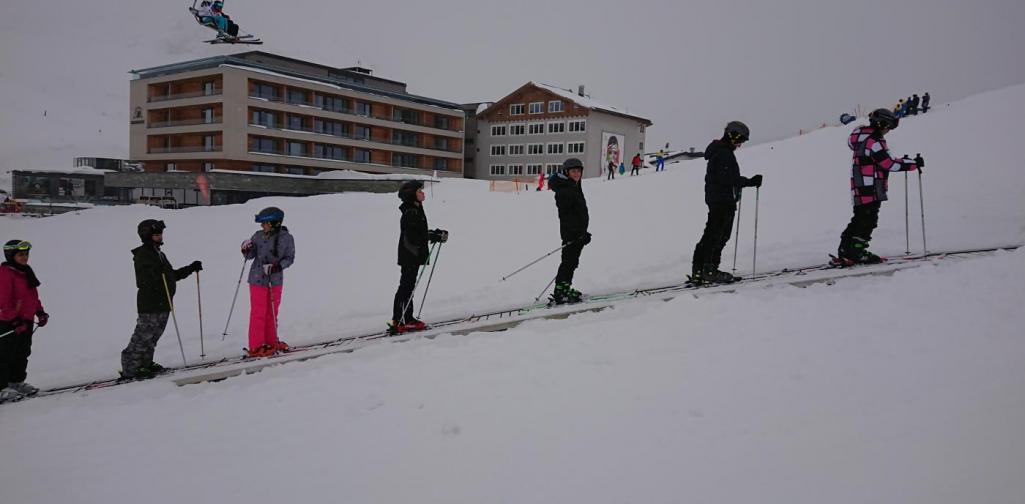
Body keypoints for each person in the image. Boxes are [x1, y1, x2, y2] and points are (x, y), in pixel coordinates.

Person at [834, 109, 922, 265]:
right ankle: (857, 252)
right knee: (868, 220)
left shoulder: (861, 136)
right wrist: (912, 164)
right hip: (871, 187)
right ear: (882, 124)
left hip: (859, 185)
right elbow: (888, 164)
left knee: (859, 218)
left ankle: (846, 249)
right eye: (889, 127)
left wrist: (904, 161)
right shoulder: (874, 141)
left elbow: (881, 160)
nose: (889, 131)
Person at [121, 221, 202, 379]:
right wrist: (155, 273)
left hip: (163, 303)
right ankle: (130, 367)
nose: (160, 237)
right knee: (142, 336)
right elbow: (143, 281)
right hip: (150, 304)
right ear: (147, 236)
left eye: (160, 234)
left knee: (153, 337)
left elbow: (171, 276)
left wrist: (191, 268)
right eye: (157, 235)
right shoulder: (143, 255)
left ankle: (145, 364)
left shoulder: (159, 253)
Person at [690, 121, 762, 284]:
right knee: (718, 235)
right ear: (733, 135)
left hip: (718, 198)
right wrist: (749, 182)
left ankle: (699, 270)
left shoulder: (720, 151)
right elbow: (727, 178)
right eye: (740, 140)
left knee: (712, 234)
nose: (740, 144)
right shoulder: (723, 153)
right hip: (722, 200)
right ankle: (709, 270)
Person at [390, 181, 447, 333]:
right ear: (411, 194)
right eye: (420, 191)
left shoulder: (415, 209)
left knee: (408, 286)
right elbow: (413, 236)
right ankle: (403, 319)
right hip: (410, 255)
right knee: (406, 287)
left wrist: (433, 235)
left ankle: (403, 317)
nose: (423, 193)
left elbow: (418, 232)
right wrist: (431, 236)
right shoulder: (411, 212)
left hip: (411, 254)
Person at [241, 207, 295, 357]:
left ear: (275, 223)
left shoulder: (286, 238)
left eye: (265, 223)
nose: (262, 226)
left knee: (272, 312)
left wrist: (278, 267)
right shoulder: (258, 236)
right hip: (258, 279)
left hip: (275, 280)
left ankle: (271, 341)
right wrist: (246, 249)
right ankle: (256, 345)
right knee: (258, 313)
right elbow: (250, 256)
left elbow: (290, 258)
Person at [0, 240, 48, 403]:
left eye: (26, 254)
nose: (25, 257)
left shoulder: (25, 272)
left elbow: (32, 297)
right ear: (11, 255)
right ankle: (1, 387)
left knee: (22, 353)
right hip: (8, 322)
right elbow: (3, 300)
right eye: (21, 254)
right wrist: (13, 319)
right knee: (5, 355)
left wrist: (40, 312)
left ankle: (16, 382)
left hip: (25, 321)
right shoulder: (6, 273)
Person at [548, 158, 591, 304]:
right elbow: (566, 217)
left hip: (577, 233)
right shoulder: (565, 190)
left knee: (571, 262)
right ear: (567, 172)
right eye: (573, 171)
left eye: (579, 171)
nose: (577, 173)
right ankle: (560, 292)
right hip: (572, 234)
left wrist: (583, 232)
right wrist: (577, 234)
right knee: (568, 263)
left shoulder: (573, 185)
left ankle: (564, 288)